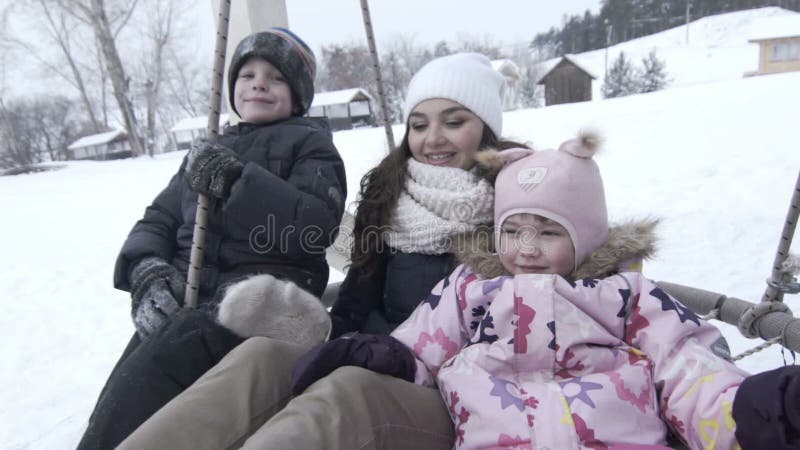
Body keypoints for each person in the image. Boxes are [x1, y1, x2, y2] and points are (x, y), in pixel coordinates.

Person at [118, 52, 528, 449]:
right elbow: (357, 300)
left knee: (344, 393)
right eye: (418, 125)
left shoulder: (521, 202)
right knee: (262, 357)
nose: (433, 139)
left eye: (453, 122)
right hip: (378, 357)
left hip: (459, 393)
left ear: (487, 129)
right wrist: (325, 332)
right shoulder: (391, 197)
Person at [290, 131, 785, 449]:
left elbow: (686, 365)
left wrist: (748, 409)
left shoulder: (626, 295)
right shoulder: (472, 288)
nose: (526, 249)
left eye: (548, 232)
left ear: (586, 235)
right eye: (512, 230)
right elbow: (421, 344)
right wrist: (380, 354)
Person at [76, 28, 344, 450]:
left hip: (267, 302)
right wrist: (147, 268)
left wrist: (238, 181)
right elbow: (160, 219)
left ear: (298, 95)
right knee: (137, 369)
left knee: (176, 349)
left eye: (275, 77)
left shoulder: (311, 146)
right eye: (247, 74)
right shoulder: (205, 151)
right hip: (192, 299)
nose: (258, 83)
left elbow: (315, 226)